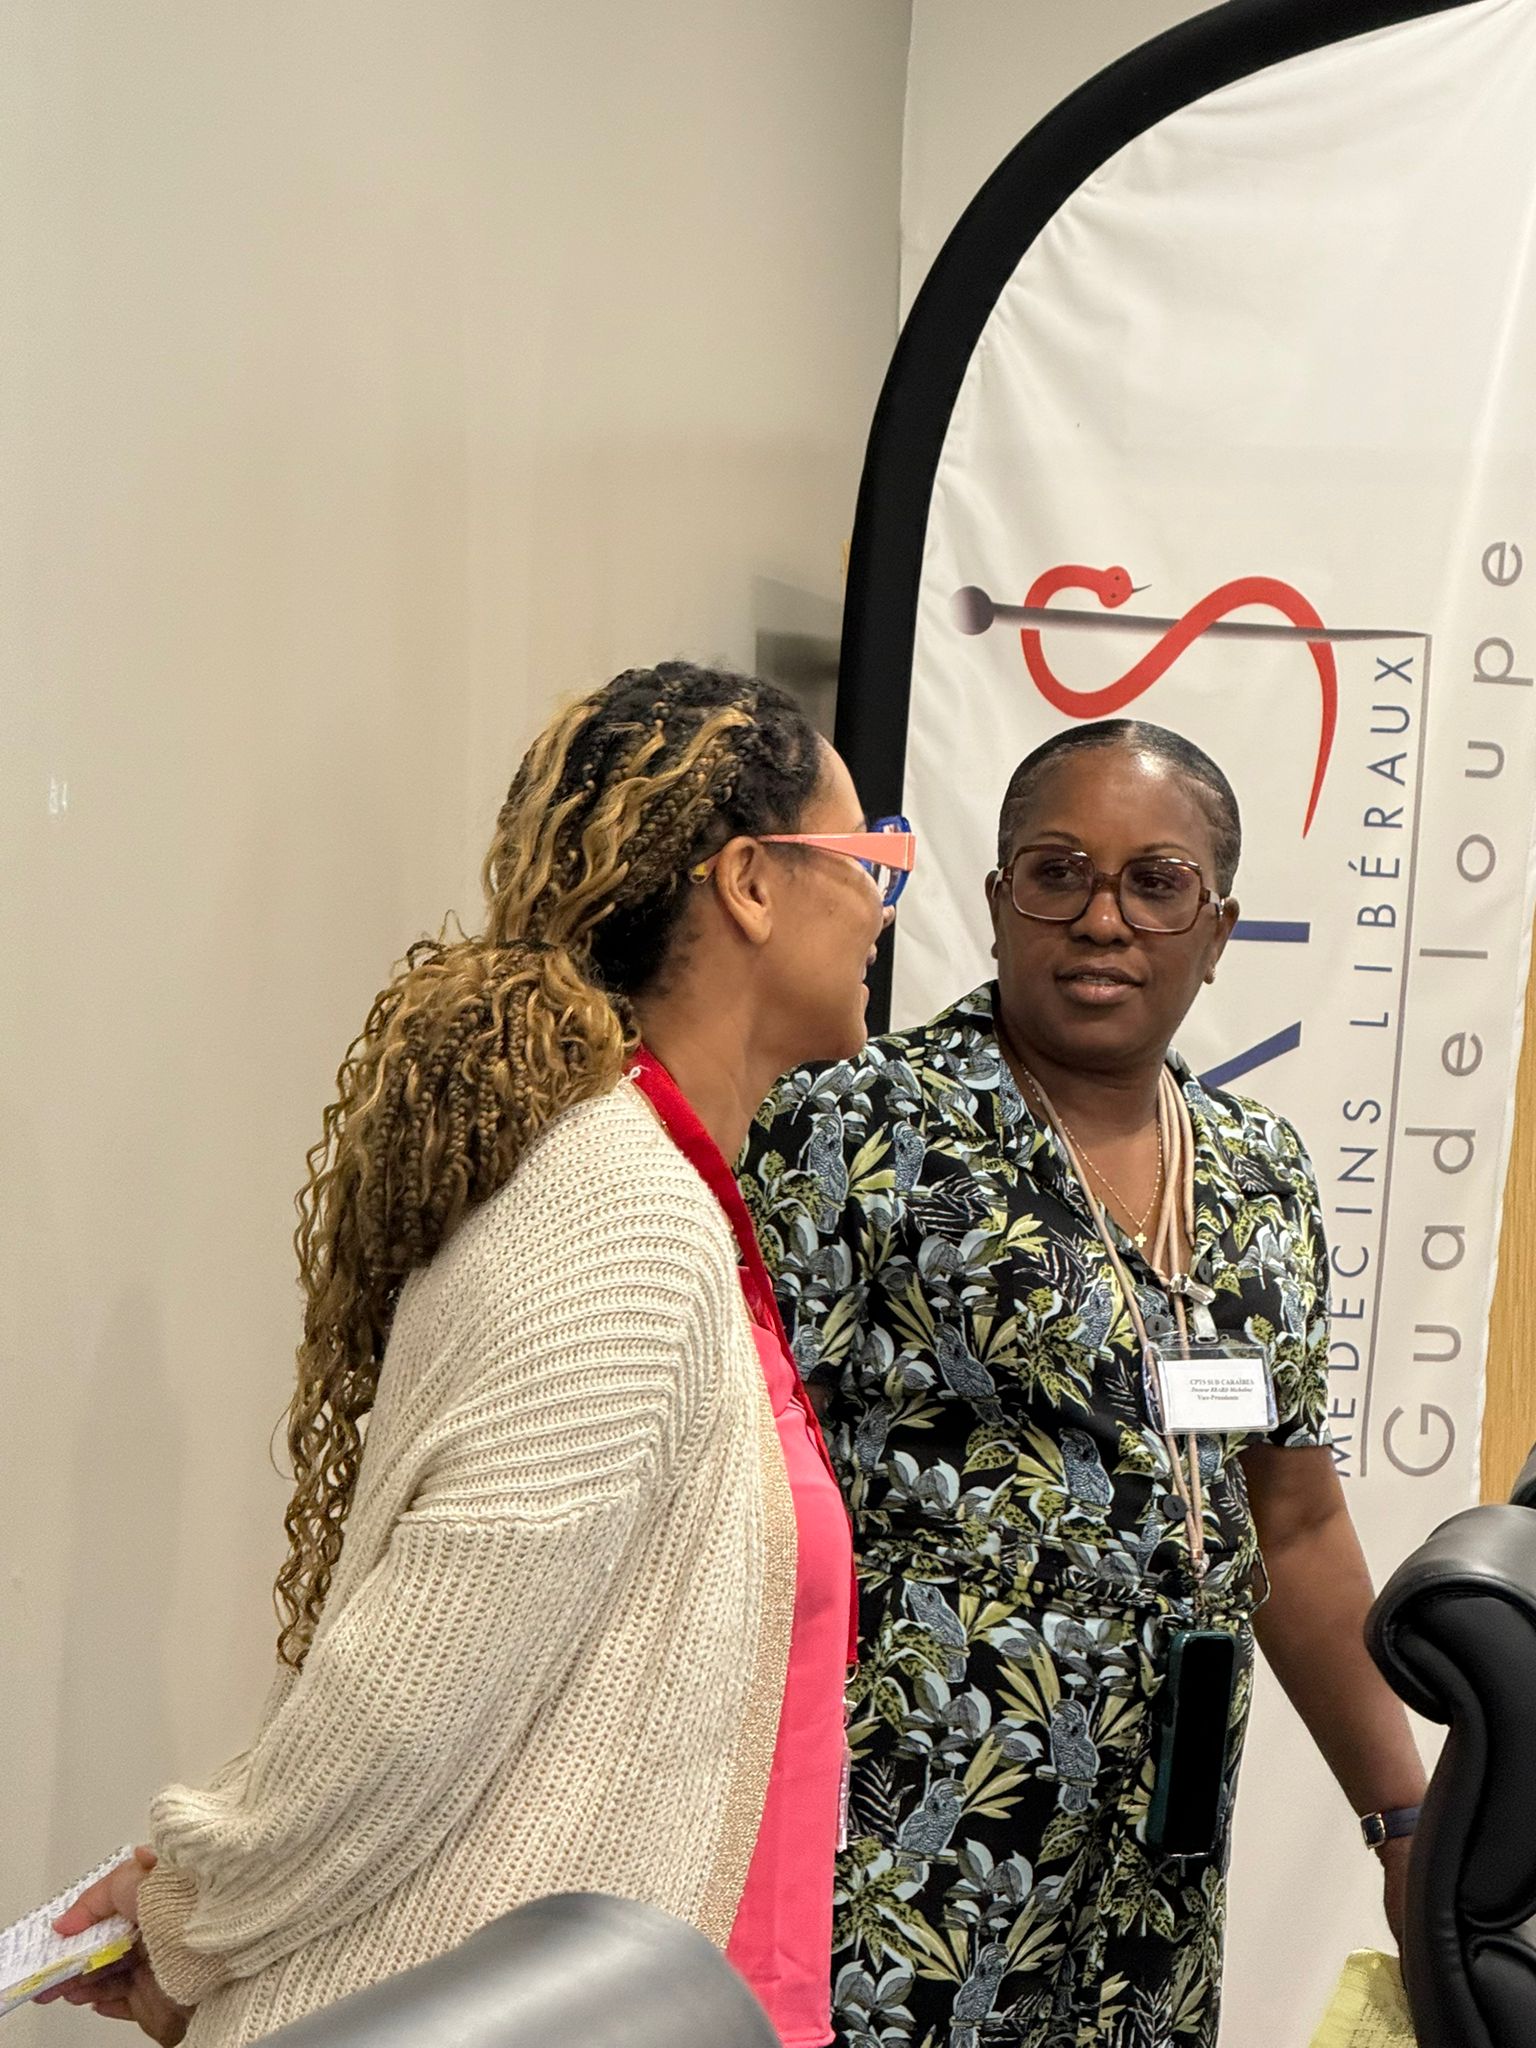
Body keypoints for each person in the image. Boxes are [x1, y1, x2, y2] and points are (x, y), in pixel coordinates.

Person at [45, 661, 918, 2048]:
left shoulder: (658, 1189)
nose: (881, 905)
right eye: (870, 857)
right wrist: (189, 1915)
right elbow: (418, 1677)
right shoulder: (621, 1207)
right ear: (752, 883)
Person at [739, 718, 1426, 2048]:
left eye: (1155, 884)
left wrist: (1402, 1821)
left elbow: (1293, 1523)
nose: (1103, 919)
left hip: (1155, 1861)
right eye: (1059, 874)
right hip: (900, 1848)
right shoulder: (857, 1125)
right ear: (1000, 902)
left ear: (1217, 932)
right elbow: (743, 1489)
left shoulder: (1261, 1174)